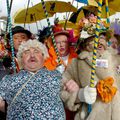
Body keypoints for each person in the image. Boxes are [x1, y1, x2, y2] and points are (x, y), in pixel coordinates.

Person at [61, 31, 120, 120]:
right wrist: (79, 95)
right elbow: (62, 91)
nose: (99, 42)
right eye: (93, 39)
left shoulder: (116, 59)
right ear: (84, 43)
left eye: (102, 38)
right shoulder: (76, 63)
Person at [0, 39, 65, 120]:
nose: (32, 55)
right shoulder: (9, 79)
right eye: (27, 52)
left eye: (36, 51)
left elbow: (71, 97)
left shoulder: (57, 75)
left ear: (43, 56)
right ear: (21, 58)